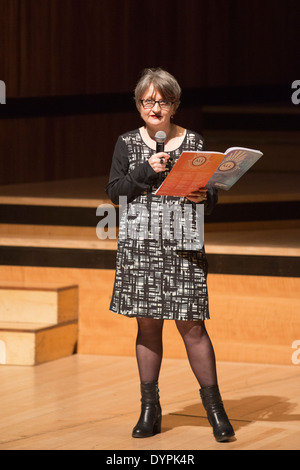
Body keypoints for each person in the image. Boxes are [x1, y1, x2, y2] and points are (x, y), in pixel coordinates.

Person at [105, 68, 235, 443]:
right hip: (140, 246)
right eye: (148, 101)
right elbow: (116, 193)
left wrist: (205, 196)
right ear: (139, 105)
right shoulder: (127, 143)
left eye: (162, 101)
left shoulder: (193, 141)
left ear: (175, 105)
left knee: (192, 326)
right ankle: (150, 409)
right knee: (147, 325)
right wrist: (146, 169)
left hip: (184, 244)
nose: (155, 107)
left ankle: (216, 410)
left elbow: (209, 198)